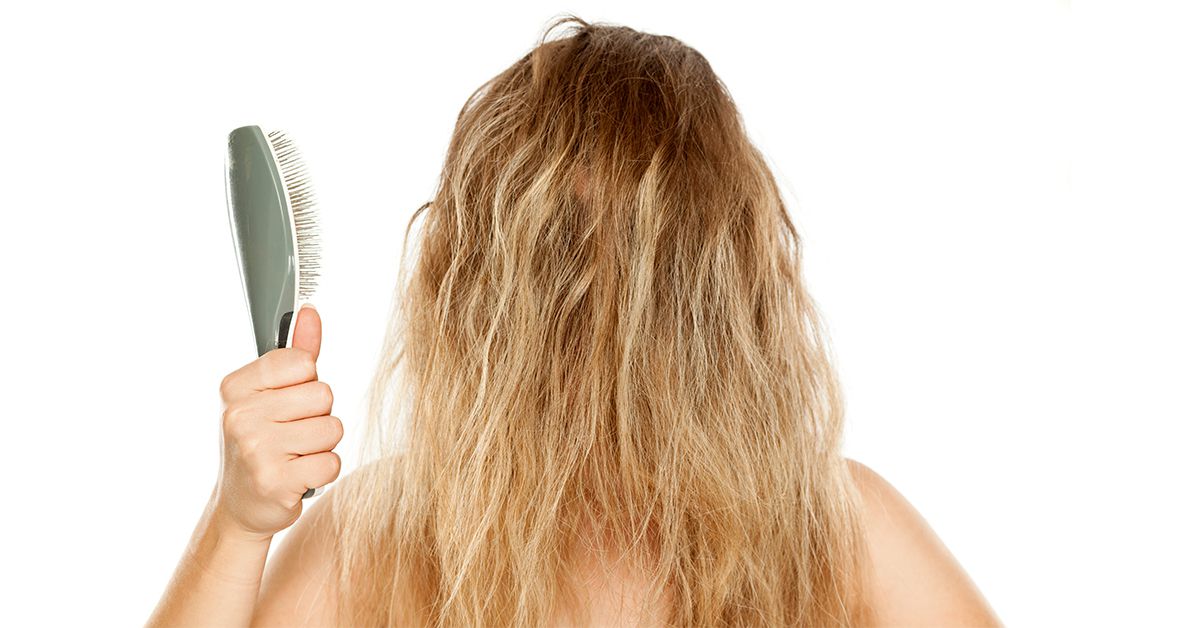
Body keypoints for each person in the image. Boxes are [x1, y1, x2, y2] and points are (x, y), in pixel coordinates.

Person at [147, 16, 1001, 627]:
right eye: (556, 261)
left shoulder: (838, 530)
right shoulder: (376, 539)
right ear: (471, 294)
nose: (598, 331)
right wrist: (237, 526)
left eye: (645, 270)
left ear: (723, 304)